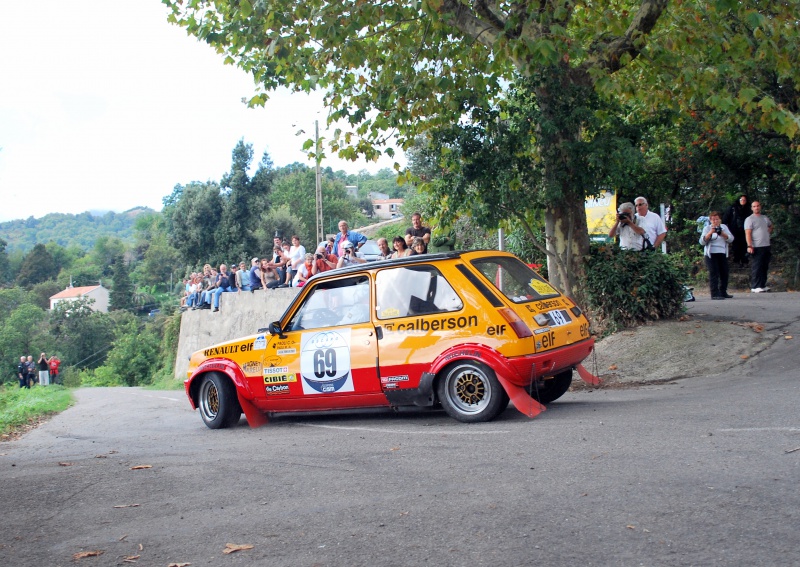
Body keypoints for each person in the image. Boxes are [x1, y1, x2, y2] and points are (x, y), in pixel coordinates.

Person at [700, 211, 734, 300]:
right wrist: (710, 232)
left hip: (722, 252)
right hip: (711, 253)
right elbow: (702, 242)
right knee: (714, 272)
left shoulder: (724, 227)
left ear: (720, 220)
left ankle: (723, 291)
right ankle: (714, 293)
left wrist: (722, 234)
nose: (715, 221)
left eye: (717, 219)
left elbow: (731, 239)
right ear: (710, 220)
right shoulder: (707, 228)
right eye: (713, 219)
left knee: (724, 272)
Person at [744, 200, 774, 293]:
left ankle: (762, 285)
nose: (756, 208)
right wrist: (749, 245)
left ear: (760, 207)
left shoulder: (764, 217)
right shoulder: (749, 219)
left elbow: (771, 226)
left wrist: (767, 231)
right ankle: (755, 286)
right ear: (752, 208)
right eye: (754, 206)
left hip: (766, 245)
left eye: (758, 206)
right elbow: (748, 233)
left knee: (764, 266)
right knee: (757, 266)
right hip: (756, 246)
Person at [723, 194, 751, 266]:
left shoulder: (748, 209)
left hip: (745, 231)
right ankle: (737, 261)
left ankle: (745, 261)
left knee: (745, 245)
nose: (743, 201)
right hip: (734, 230)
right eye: (741, 199)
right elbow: (725, 219)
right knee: (736, 246)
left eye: (744, 200)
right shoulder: (732, 208)